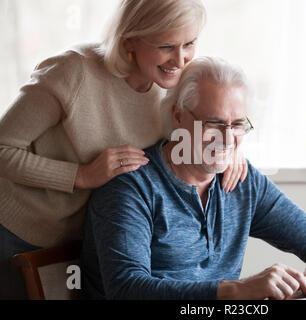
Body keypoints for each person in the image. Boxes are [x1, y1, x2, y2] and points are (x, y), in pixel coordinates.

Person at [0, 0, 247, 300]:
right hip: (21, 232)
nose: (180, 60)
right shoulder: (72, 72)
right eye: (166, 46)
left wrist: (230, 150)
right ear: (131, 40)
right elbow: (3, 148)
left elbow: (200, 129)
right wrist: (80, 175)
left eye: (189, 44)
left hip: (89, 238)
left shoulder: (172, 84)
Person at [81, 56, 306, 300]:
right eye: (213, 123)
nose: (227, 139)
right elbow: (127, 289)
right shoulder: (131, 187)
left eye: (238, 124)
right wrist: (237, 290)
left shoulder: (242, 182)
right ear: (178, 116)